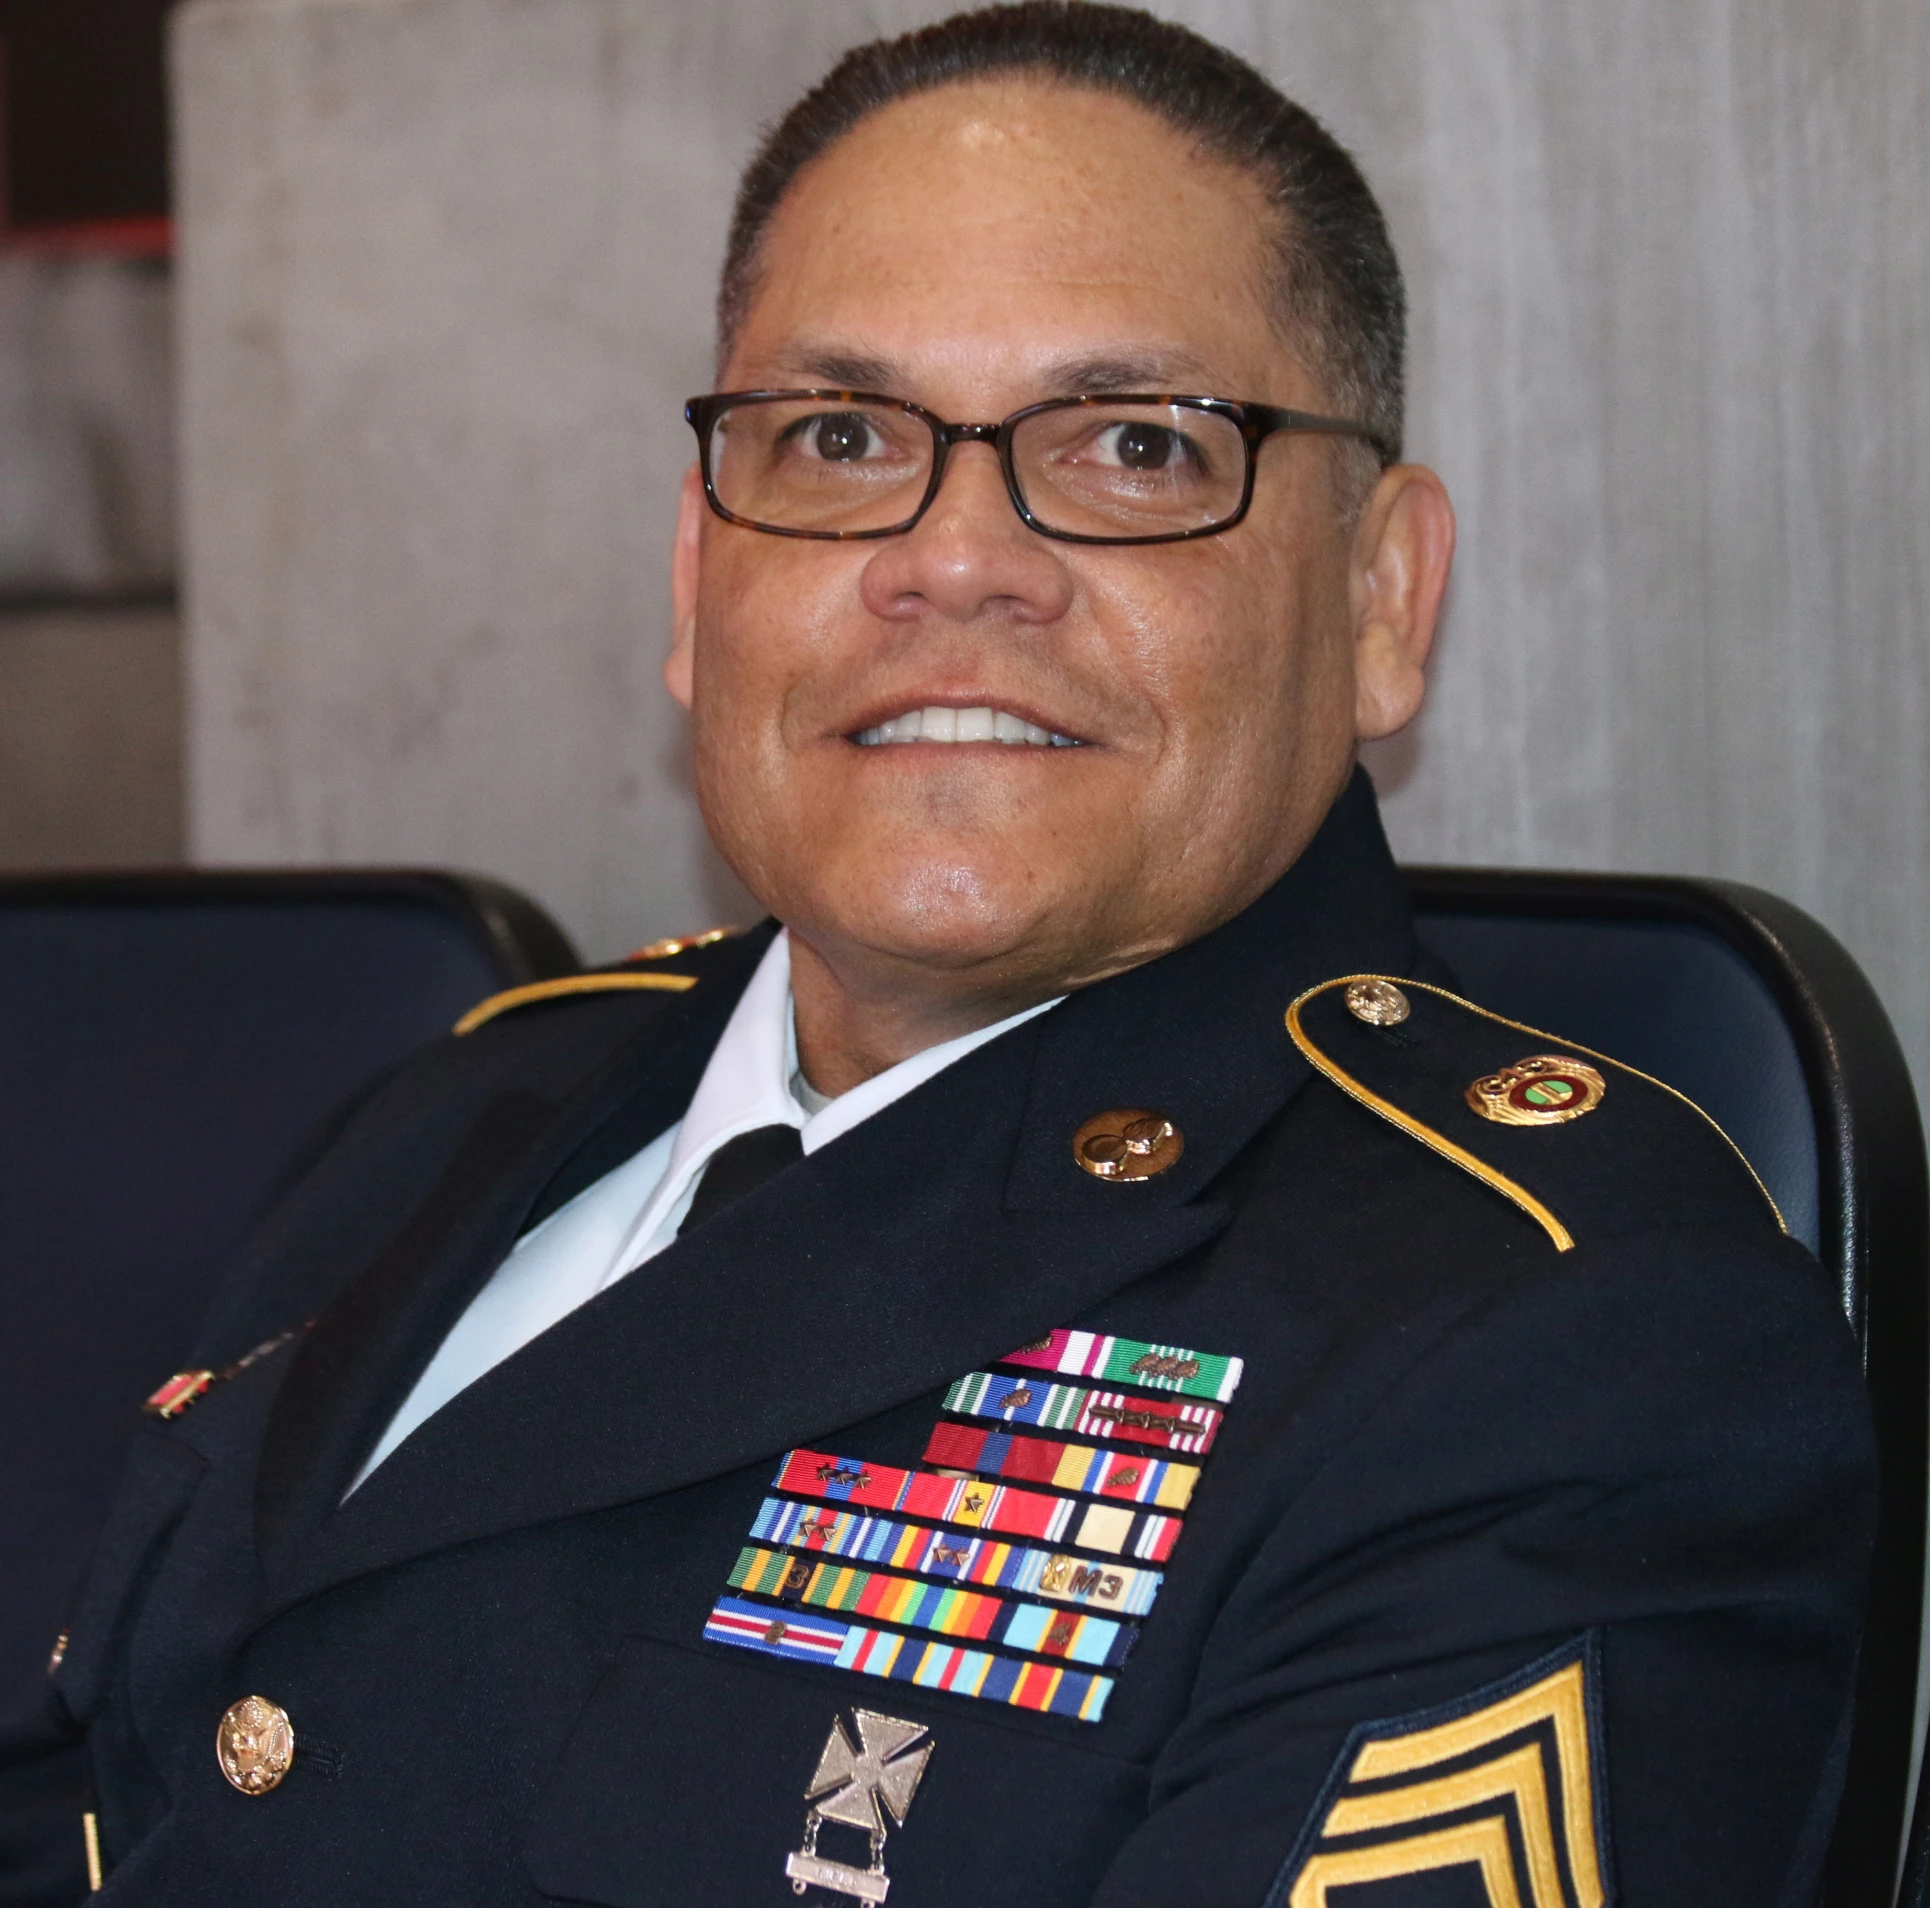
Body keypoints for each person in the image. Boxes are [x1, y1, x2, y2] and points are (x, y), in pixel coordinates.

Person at [12, 6, 1873, 1905]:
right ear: (693, 580)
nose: (954, 559)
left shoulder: (1551, 1347)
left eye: (1136, 446)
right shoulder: (472, 1103)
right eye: (835, 438)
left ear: (1384, 601)